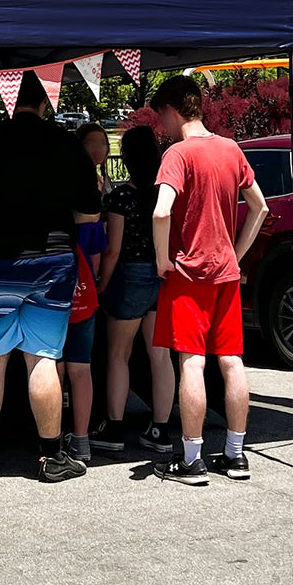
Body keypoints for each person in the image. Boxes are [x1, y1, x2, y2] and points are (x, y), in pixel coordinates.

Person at [0, 71, 103, 482]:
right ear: (45, 102)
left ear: (11, 101)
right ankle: (50, 457)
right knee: (42, 358)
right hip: (51, 264)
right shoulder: (65, 143)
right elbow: (91, 210)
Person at [149, 77, 269, 485]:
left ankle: (192, 459)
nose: (160, 126)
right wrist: (236, 253)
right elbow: (260, 207)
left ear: (171, 111)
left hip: (188, 274)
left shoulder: (176, 154)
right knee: (232, 361)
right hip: (226, 274)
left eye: (160, 116)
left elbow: (161, 212)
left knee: (192, 363)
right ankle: (236, 455)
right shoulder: (231, 149)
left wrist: (163, 259)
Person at [91, 124, 175, 455]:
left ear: (125, 156)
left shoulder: (120, 197)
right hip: (162, 275)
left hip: (130, 277)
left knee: (118, 354)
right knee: (160, 355)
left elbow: (112, 249)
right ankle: (161, 428)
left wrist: (101, 286)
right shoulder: (165, 191)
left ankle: (113, 427)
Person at [60, 245, 99, 463]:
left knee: (52, 367)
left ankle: (52, 438)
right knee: (81, 370)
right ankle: (81, 441)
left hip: (52, 295)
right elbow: (98, 258)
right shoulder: (90, 223)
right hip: (84, 295)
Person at [76, 121, 112, 194]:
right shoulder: (77, 180)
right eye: (91, 143)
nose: (98, 149)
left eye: (102, 143)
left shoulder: (103, 178)